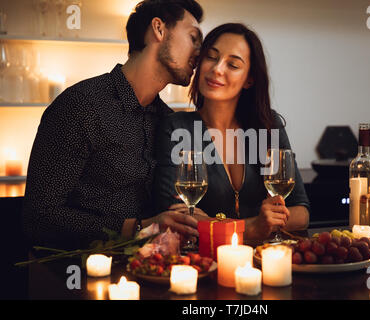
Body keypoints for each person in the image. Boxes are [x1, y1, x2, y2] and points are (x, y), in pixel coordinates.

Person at [22, 0, 205, 249]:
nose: (199, 51)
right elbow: (40, 217)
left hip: (152, 267)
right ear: (159, 30)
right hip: (75, 270)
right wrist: (137, 228)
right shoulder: (82, 106)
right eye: (193, 38)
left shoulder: (168, 121)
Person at [153, 23, 310, 240]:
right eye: (211, 57)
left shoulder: (268, 125)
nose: (217, 69)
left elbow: (301, 212)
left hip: (265, 261)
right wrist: (252, 226)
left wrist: (211, 224)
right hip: (205, 263)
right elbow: (177, 217)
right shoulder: (176, 128)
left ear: (249, 79)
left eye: (233, 65)